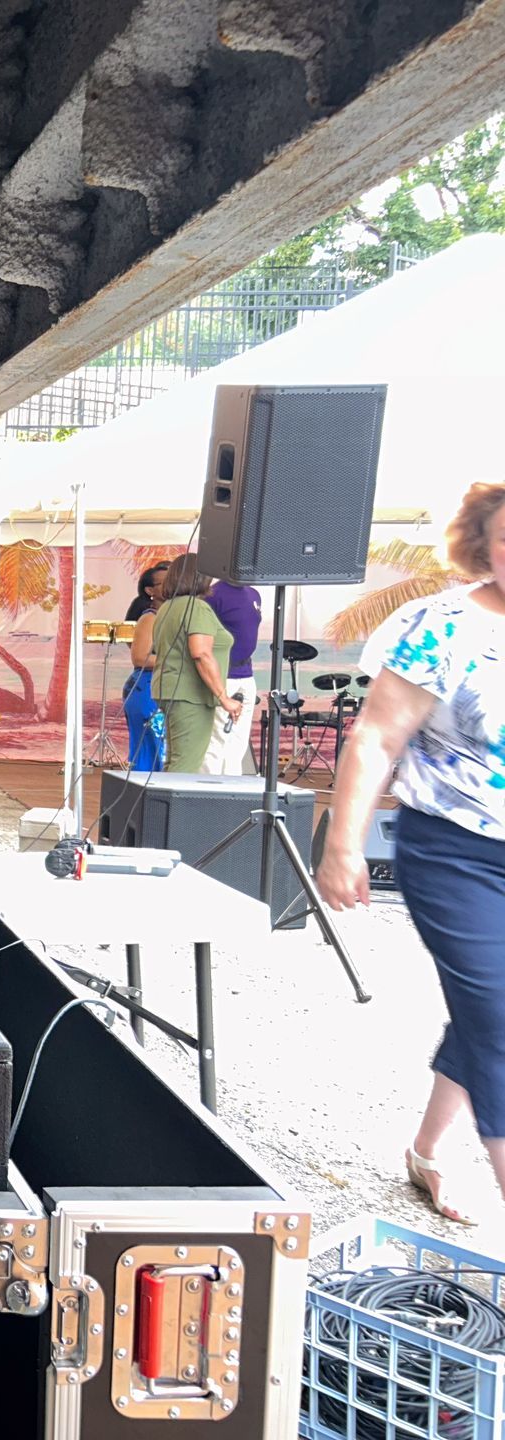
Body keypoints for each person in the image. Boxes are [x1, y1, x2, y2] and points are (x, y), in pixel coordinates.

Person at [318, 481, 505, 1226]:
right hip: (458, 852)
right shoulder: (444, 624)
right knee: (497, 1015)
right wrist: (343, 843)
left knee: (487, 1011)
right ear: (484, 544)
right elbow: (376, 737)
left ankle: (428, 1151)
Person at [151, 552, 243, 773]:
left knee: (175, 761)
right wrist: (224, 697)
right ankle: (174, 808)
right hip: (191, 694)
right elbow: (201, 653)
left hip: (170, 689)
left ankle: (162, 806)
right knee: (185, 765)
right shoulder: (197, 608)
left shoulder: (167, 608)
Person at [205, 578, 264, 775]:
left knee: (239, 739)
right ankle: (209, 787)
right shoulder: (213, 595)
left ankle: (232, 786)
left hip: (246, 674)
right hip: (224, 674)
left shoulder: (254, 594)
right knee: (217, 738)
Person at [123, 602, 167, 772]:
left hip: (156, 686)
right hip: (147, 688)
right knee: (152, 748)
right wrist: (179, 661)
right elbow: (140, 658)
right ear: (151, 590)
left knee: (156, 749)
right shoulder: (150, 618)